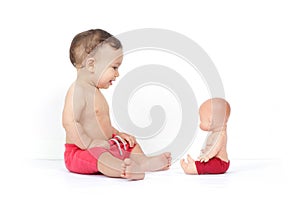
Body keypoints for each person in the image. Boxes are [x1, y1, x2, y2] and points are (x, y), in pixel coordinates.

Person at [62, 29, 171, 180]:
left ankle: (144, 162)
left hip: (104, 145)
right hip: (80, 152)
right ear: (92, 65)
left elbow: (101, 123)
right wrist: (89, 143)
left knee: (129, 143)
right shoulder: (77, 91)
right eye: (114, 67)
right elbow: (70, 122)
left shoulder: (95, 92)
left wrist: (117, 134)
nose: (117, 74)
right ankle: (123, 169)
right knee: (100, 156)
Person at [180, 98, 230, 175]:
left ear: (211, 121)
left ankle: (194, 168)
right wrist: (205, 153)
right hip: (215, 159)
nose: (200, 124)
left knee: (208, 166)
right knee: (207, 164)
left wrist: (208, 155)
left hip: (221, 163)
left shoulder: (221, 135)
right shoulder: (216, 133)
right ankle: (196, 164)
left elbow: (215, 148)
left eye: (202, 120)